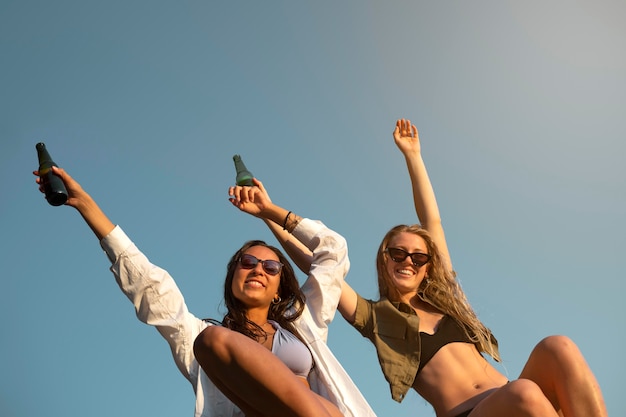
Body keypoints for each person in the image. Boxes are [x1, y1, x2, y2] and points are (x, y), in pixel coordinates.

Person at [270, 119, 608, 417]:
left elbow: (431, 221)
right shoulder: (378, 319)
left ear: (428, 266)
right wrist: (269, 213)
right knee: (524, 393)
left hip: (510, 396)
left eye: (418, 257)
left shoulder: (446, 300)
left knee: (557, 346)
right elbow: (321, 266)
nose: (408, 261)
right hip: (471, 412)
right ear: (384, 259)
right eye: (398, 253)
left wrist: (413, 156)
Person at [33, 166, 376, 417]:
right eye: (248, 262)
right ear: (232, 278)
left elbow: (333, 251)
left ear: (278, 290)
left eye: (271, 267)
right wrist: (87, 206)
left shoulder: (304, 324)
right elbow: (150, 285)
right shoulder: (201, 335)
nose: (258, 268)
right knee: (212, 341)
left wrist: (267, 211)